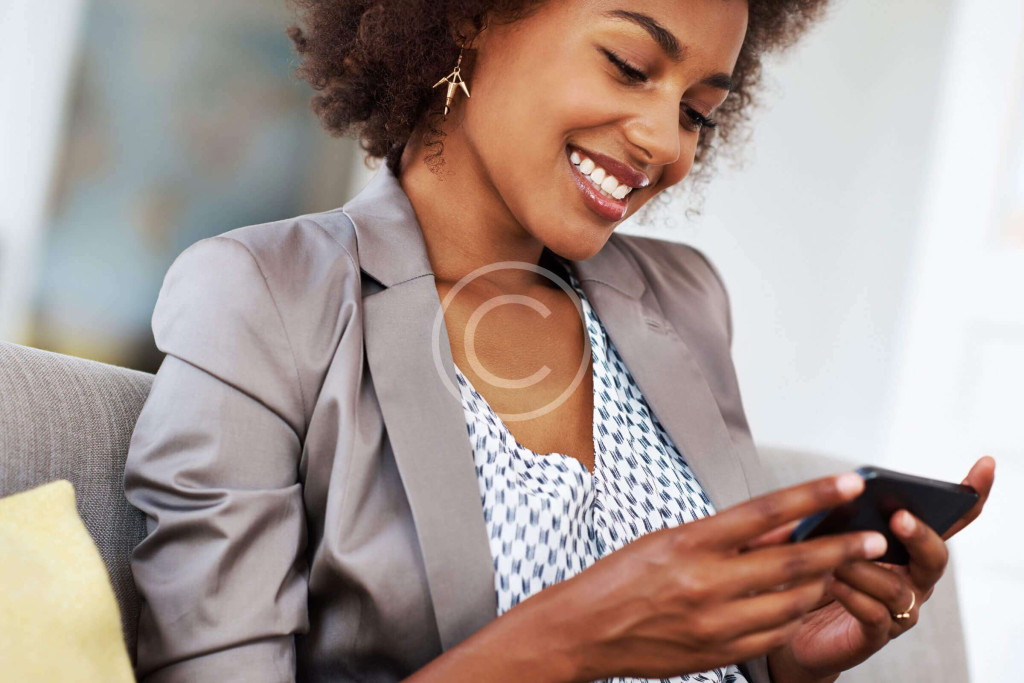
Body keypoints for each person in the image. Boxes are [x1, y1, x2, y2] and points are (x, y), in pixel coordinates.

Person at [123, 1, 995, 682]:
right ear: (471, 15)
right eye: (630, 66)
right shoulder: (265, 298)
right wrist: (573, 637)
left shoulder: (685, 300)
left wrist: (790, 657)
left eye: (698, 111)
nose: (663, 142)